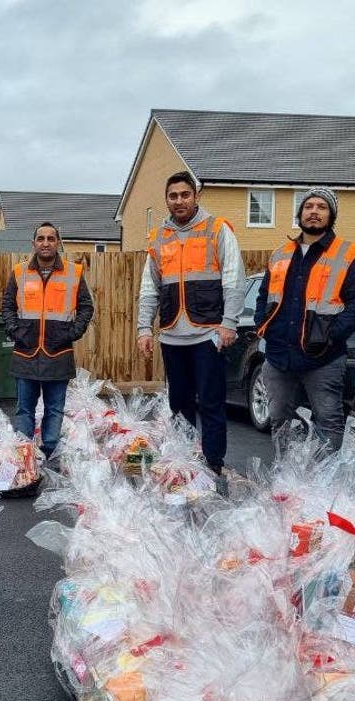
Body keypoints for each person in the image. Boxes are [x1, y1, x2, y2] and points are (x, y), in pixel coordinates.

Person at [137, 171, 245, 474]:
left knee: (211, 404)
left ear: (195, 196)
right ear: (167, 200)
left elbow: (234, 280)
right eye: (173, 196)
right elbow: (149, 287)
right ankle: (183, 465)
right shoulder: (159, 238)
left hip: (208, 333)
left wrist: (229, 323)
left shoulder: (217, 229)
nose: (179, 201)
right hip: (172, 335)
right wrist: (144, 328)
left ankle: (213, 465)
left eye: (185, 194)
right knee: (178, 405)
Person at [254, 188, 355, 450]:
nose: (314, 211)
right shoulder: (280, 254)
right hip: (279, 357)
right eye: (309, 206)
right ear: (300, 213)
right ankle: (287, 484)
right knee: (280, 419)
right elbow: (263, 295)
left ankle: (323, 487)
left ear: (331, 215)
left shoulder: (348, 253)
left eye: (322, 207)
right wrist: (262, 324)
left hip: (323, 359)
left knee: (328, 421)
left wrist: (330, 334)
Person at [0, 222, 94, 459]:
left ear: (58, 243)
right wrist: (14, 331)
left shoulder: (74, 272)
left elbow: (86, 307)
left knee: (55, 409)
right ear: (33, 243)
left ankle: (49, 452)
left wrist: (72, 333)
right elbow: (7, 305)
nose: (45, 243)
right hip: (26, 352)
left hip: (58, 352)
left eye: (51, 238)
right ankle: (24, 454)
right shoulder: (19, 272)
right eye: (41, 238)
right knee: (24, 409)